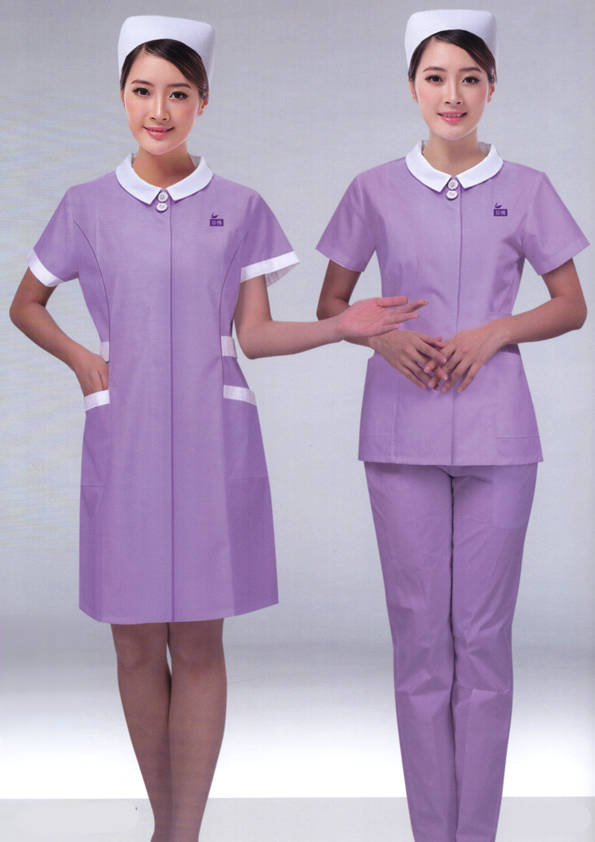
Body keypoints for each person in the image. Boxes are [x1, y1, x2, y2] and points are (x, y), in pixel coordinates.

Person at [8, 14, 424, 842]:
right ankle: (164, 827)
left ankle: (181, 834)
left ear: (203, 101)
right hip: (124, 440)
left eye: (177, 94)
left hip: (210, 438)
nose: (158, 111)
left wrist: (341, 327)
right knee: (134, 643)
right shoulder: (86, 206)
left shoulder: (238, 207)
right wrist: (82, 360)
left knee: (198, 642)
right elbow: (26, 303)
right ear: (121, 97)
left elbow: (256, 336)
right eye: (142, 92)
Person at [316, 9, 588, 842]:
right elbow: (332, 304)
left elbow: (570, 304)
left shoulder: (527, 188)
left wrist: (494, 331)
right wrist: (383, 337)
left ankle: (476, 835)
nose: (452, 94)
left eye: (469, 78)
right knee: (419, 644)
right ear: (411, 87)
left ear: (491, 87)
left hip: (498, 437)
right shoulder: (372, 189)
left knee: (482, 640)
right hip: (399, 435)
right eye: (435, 77)